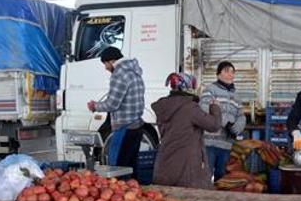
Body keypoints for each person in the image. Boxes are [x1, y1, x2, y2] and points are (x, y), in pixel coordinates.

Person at [152, 73, 222, 189]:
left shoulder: (164, 107)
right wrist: (215, 108)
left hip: (165, 164)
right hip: (186, 168)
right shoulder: (189, 107)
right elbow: (214, 125)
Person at [87, 47, 145, 176]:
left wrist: (95, 106)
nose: (106, 68)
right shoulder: (135, 72)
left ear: (112, 61)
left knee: (117, 170)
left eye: (106, 64)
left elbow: (112, 104)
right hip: (137, 126)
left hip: (124, 128)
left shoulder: (119, 75)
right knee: (131, 167)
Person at [200, 61, 246, 182]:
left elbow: (241, 115)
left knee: (222, 176)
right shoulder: (210, 90)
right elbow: (204, 108)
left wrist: (237, 127)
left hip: (226, 144)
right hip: (210, 142)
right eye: (226, 71)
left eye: (232, 72)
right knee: (206, 175)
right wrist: (226, 123)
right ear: (218, 74)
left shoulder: (236, 95)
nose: (230, 74)